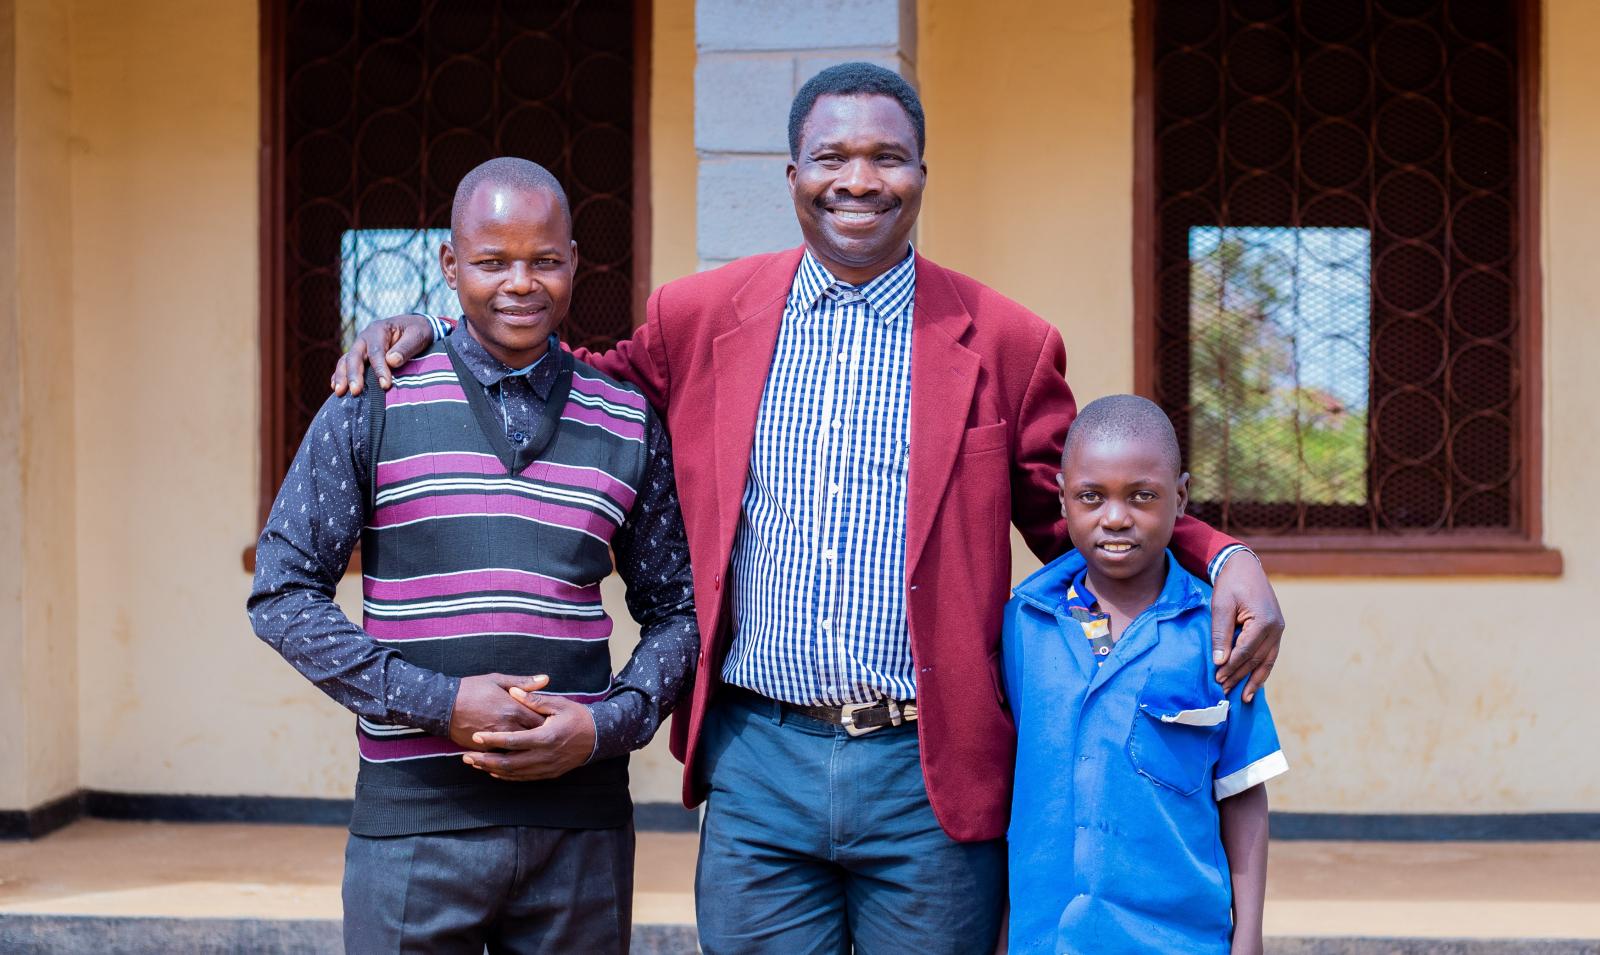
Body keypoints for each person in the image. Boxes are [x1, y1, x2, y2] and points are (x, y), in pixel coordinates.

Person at [332, 63, 1287, 953]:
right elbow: (573, 385)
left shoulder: (1004, 341)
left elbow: (1076, 509)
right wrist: (432, 328)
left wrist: (1224, 553)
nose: (859, 180)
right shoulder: (701, 315)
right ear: (793, 174)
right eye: (832, 157)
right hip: (758, 765)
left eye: (886, 157)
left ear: (921, 172)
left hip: (929, 770)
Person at [248, 157, 698, 954]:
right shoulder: (374, 398)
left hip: (580, 831)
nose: (520, 283)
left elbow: (679, 610)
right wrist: (439, 700)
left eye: (544, 260)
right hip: (414, 825)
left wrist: (606, 724)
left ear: (573, 262)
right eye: (492, 262)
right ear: (451, 266)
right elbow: (282, 593)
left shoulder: (625, 419)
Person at [1002, 394, 1286, 954]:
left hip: (1179, 939)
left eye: (1142, 496)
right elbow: (1004, 788)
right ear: (1061, 500)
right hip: (1047, 936)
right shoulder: (1022, 624)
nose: (1115, 517)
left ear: (1179, 498)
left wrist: (1247, 936)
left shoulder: (1218, 633)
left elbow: (1242, 792)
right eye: (1091, 497)